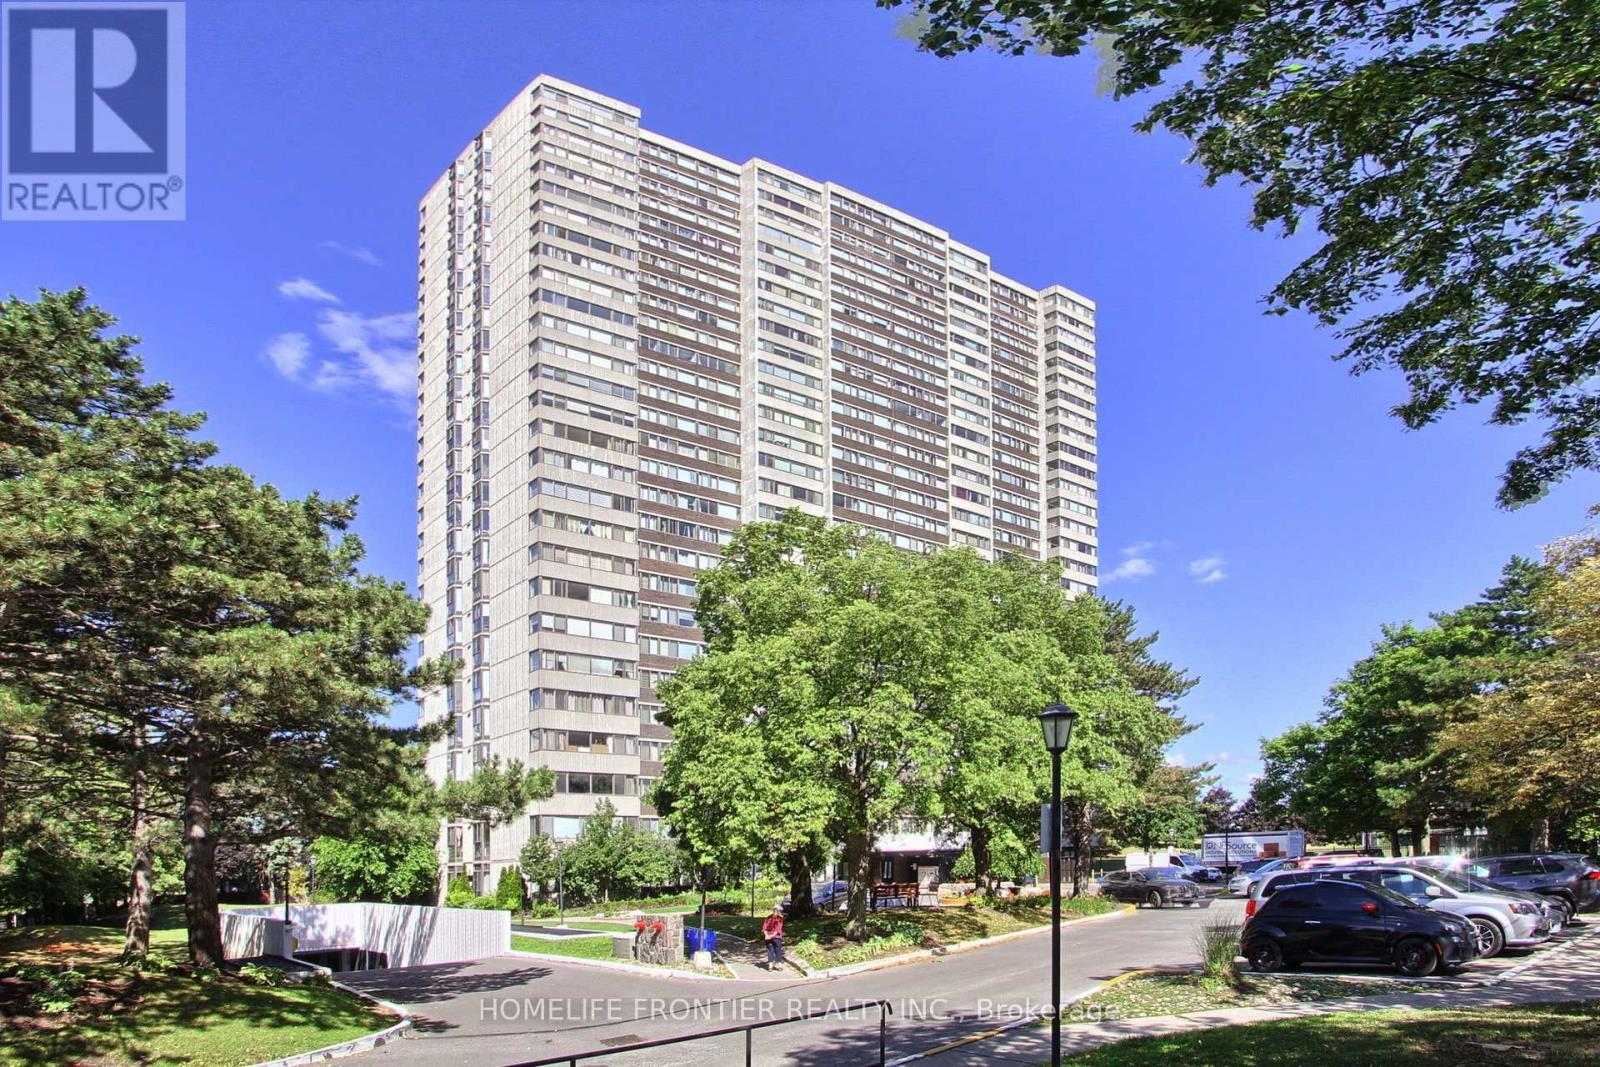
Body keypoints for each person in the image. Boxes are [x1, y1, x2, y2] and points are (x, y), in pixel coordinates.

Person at [761, 902, 785, 970]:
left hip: (770, 936)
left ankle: (771, 966)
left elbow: (764, 927)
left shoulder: (769, 917)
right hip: (776, 937)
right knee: (777, 951)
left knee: (771, 950)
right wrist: (770, 935)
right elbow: (777, 929)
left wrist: (767, 935)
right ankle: (778, 966)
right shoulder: (779, 918)